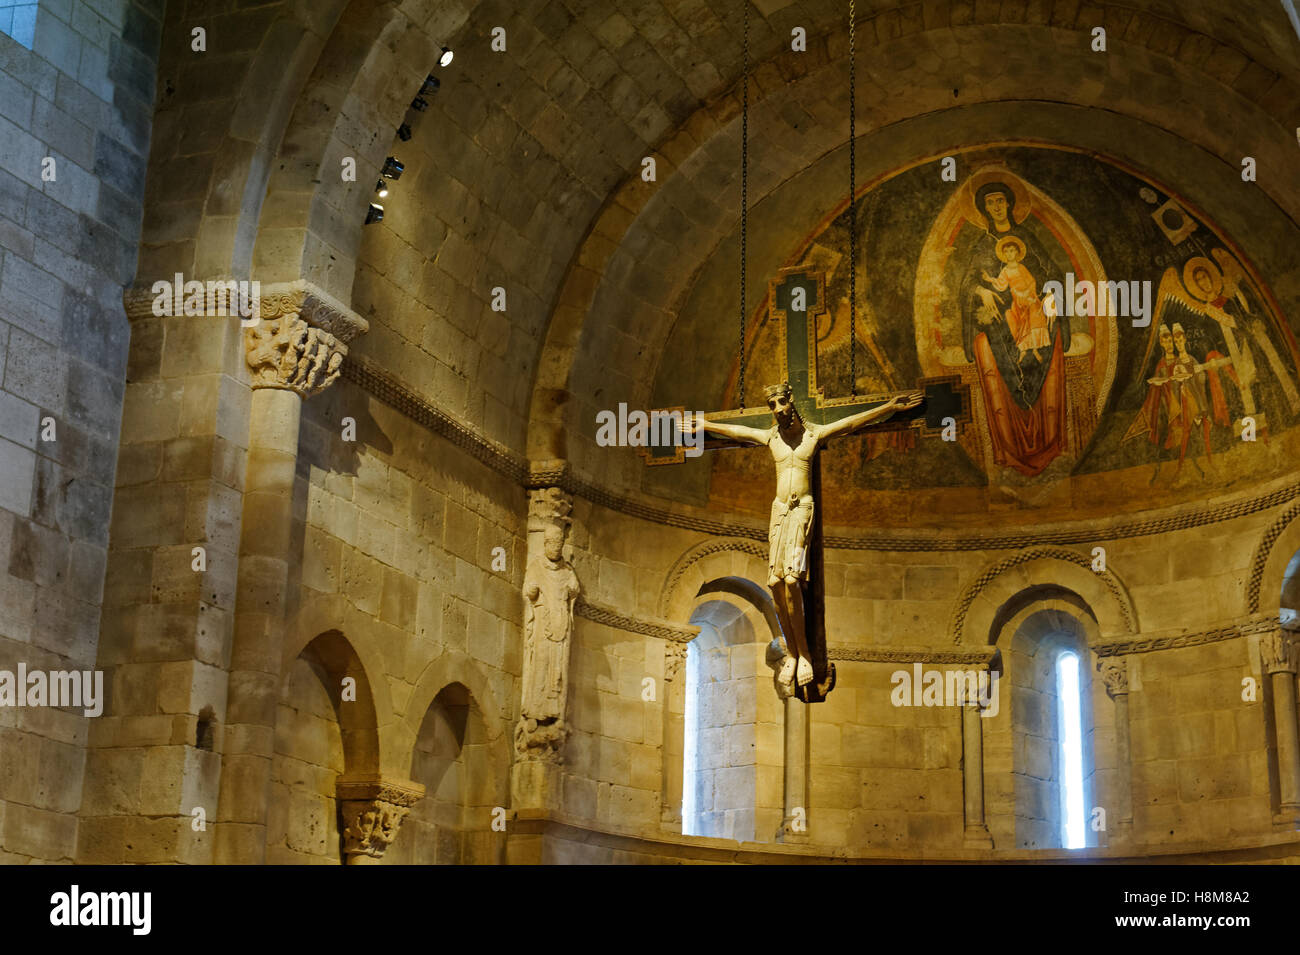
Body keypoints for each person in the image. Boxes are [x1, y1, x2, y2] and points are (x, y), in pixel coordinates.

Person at [684, 381, 921, 688]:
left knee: (793, 579)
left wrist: (888, 407)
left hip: (800, 513)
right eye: (772, 405)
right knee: (774, 583)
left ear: (791, 400)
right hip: (779, 513)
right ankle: (792, 653)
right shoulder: (771, 438)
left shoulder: (813, 435)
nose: (778, 410)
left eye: (781, 402)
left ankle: (804, 653)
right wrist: (706, 424)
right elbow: (738, 433)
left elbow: (850, 423)